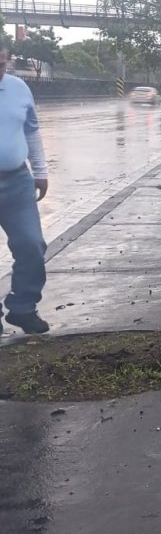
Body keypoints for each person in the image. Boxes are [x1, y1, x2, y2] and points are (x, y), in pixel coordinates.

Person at [0, 45, 50, 334]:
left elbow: (31, 129)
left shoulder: (18, 89)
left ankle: (23, 307)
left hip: (18, 180)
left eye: (1, 64)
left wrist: (40, 171)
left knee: (32, 245)